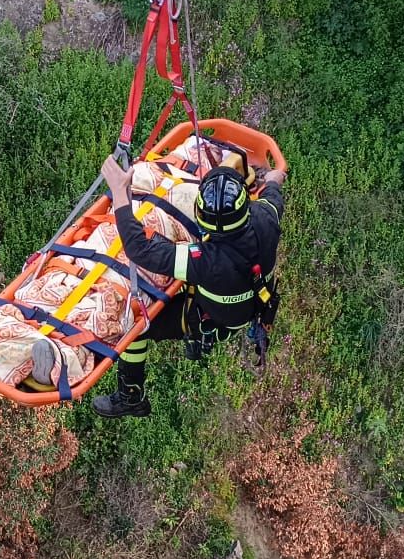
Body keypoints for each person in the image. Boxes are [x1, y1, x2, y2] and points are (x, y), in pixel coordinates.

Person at [88, 153, 287, 418]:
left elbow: (139, 249)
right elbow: (273, 190)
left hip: (215, 317)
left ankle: (130, 396)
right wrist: (272, 179)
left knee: (133, 328)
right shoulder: (266, 217)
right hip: (252, 304)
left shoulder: (204, 261)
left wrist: (119, 191)